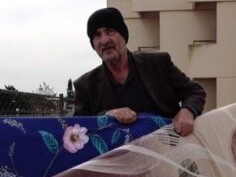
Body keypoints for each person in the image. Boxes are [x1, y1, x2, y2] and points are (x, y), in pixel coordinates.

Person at [73, 7, 205, 136]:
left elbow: (195, 91)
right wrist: (107, 115)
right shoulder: (85, 85)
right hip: (117, 157)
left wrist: (187, 111)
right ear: (93, 45)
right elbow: (78, 128)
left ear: (124, 36)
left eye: (110, 31)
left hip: (167, 151)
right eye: (97, 35)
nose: (105, 40)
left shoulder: (158, 64)